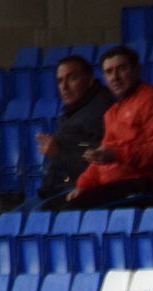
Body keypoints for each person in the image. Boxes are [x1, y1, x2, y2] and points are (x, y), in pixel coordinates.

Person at [65, 46, 153, 208]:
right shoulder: (112, 112)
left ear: (137, 70)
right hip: (115, 186)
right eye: (109, 72)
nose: (115, 77)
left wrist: (118, 154)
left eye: (121, 69)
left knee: (72, 211)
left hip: (143, 185)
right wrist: (83, 184)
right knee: (52, 209)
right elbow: (100, 159)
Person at [33, 55, 113, 206]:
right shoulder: (76, 109)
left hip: (77, 190)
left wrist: (58, 153)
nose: (64, 87)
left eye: (72, 79)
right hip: (56, 188)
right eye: (59, 81)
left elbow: (97, 161)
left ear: (89, 80)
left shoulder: (100, 111)